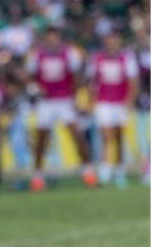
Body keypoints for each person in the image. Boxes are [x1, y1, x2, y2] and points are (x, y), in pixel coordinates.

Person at [25, 26, 95, 191]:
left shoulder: (69, 54)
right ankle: (37, 176)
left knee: (77, 136)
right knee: (41, 139)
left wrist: (75, 97)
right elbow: (29, 77)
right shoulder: (37, 55)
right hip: (46, 101)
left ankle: (88, 172)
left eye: (55, 37)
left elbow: (77, 76)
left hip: (64, 100)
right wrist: (34, 88)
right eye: (50, 37)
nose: (53, 40)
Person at [84, 31, 140, 188]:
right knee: (106, 135)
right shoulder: (96, 58)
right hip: (103, 101)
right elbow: (91, 80)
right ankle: (106, 168)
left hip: (120, 102)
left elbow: (133, 81)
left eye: (114, 41)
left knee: (119, 137)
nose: (112, 44)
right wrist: (90, 100)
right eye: (109, 41)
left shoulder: (126, 58)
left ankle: (119, 169)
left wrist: (129, 100)